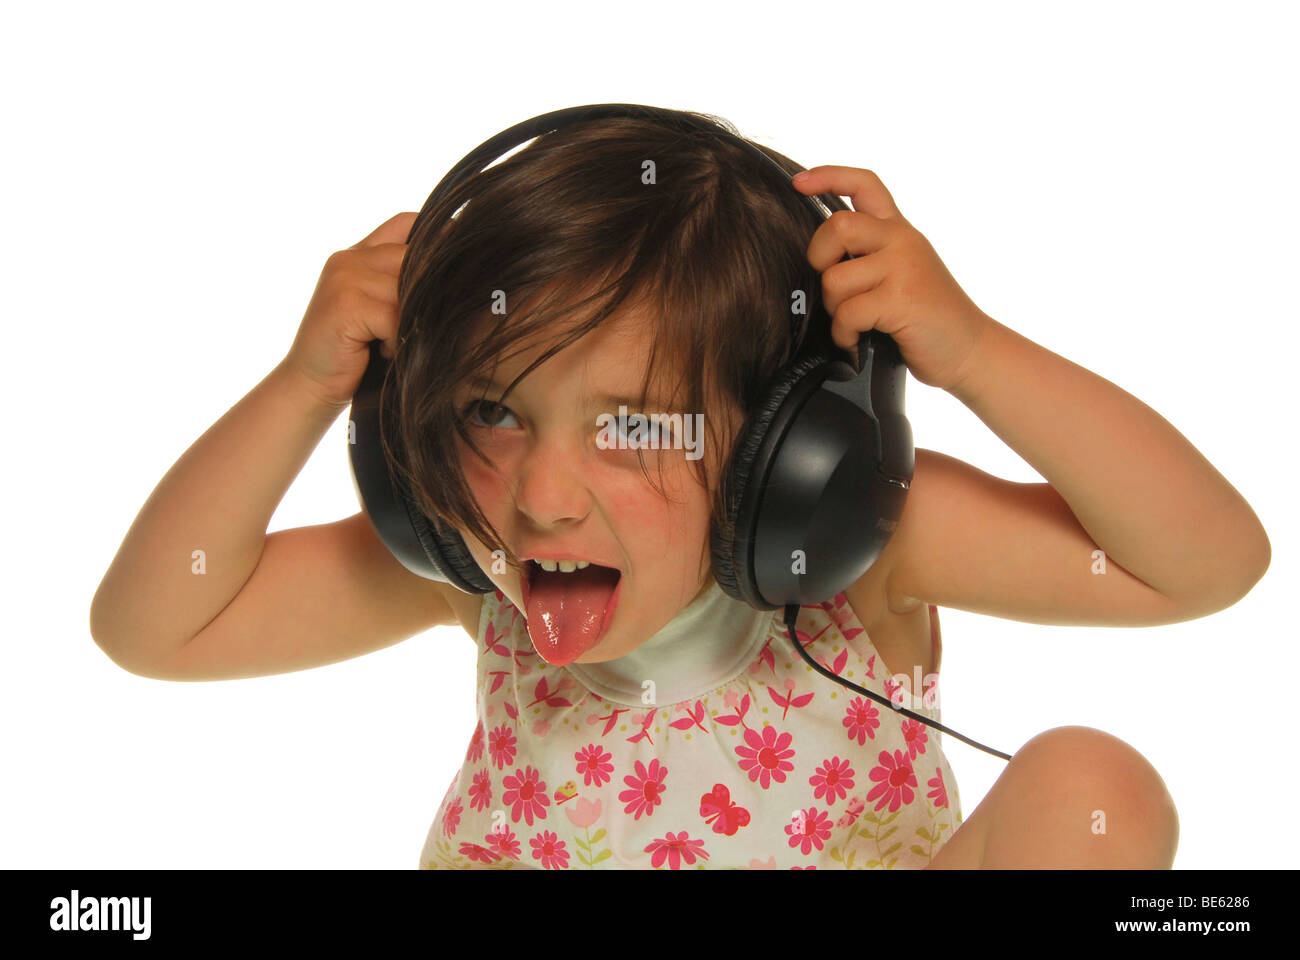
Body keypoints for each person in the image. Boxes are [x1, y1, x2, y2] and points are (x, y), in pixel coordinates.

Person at [90, 108, 1270, 870]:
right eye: (494, 414)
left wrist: (971, 351)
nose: (543, 498)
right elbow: (158, 628)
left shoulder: (867, 557)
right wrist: (303, 383)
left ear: (792, 457)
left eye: (632, 427)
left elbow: (1205, 562)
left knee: (1091, 786)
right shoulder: (472, 573)